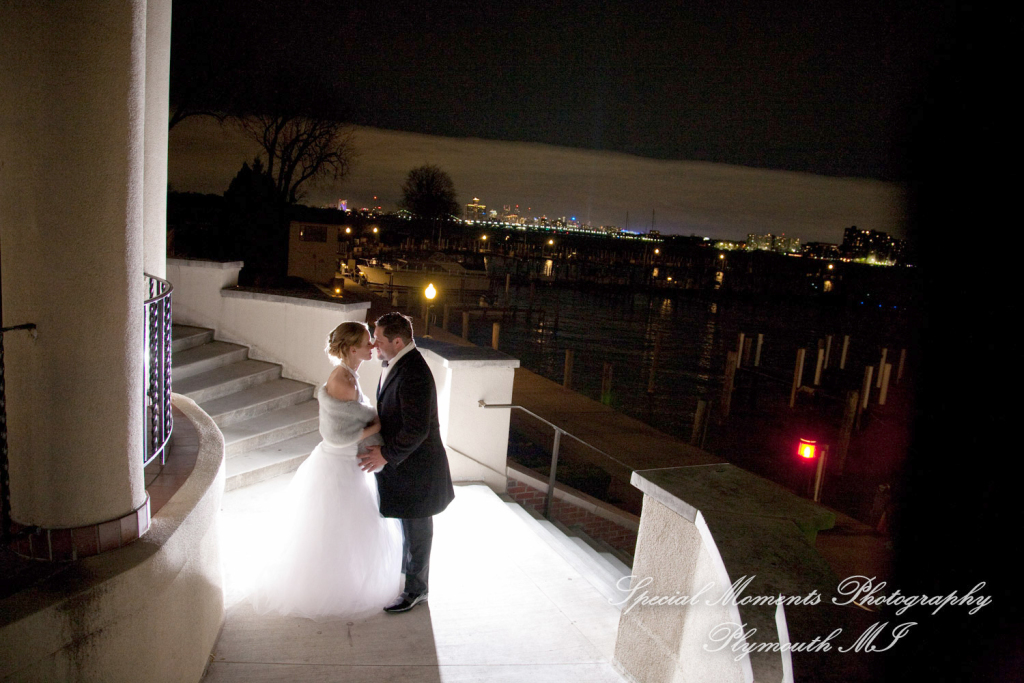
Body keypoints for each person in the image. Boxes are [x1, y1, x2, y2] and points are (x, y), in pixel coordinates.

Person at [250, 321, 402, 620]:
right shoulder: (342, 381)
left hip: (349, 464)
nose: (372, 345)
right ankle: (332, 589)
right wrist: (376, 426)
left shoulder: (350, 376)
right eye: (366, 341)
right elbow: (336, 434)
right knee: (334, 531)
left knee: (350, 532)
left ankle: (350, 583)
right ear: (350, 348)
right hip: (338, 466)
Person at [359, 312, 455, 613]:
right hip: (407, 466)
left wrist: (385, 455)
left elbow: (417, 429)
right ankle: (406, 577)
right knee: (407, 524)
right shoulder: (398, 362)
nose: (374, 345)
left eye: (379, 339)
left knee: (417, 527)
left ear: (397, 341)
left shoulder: (413, 372)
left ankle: (417, 590)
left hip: (419, 468)